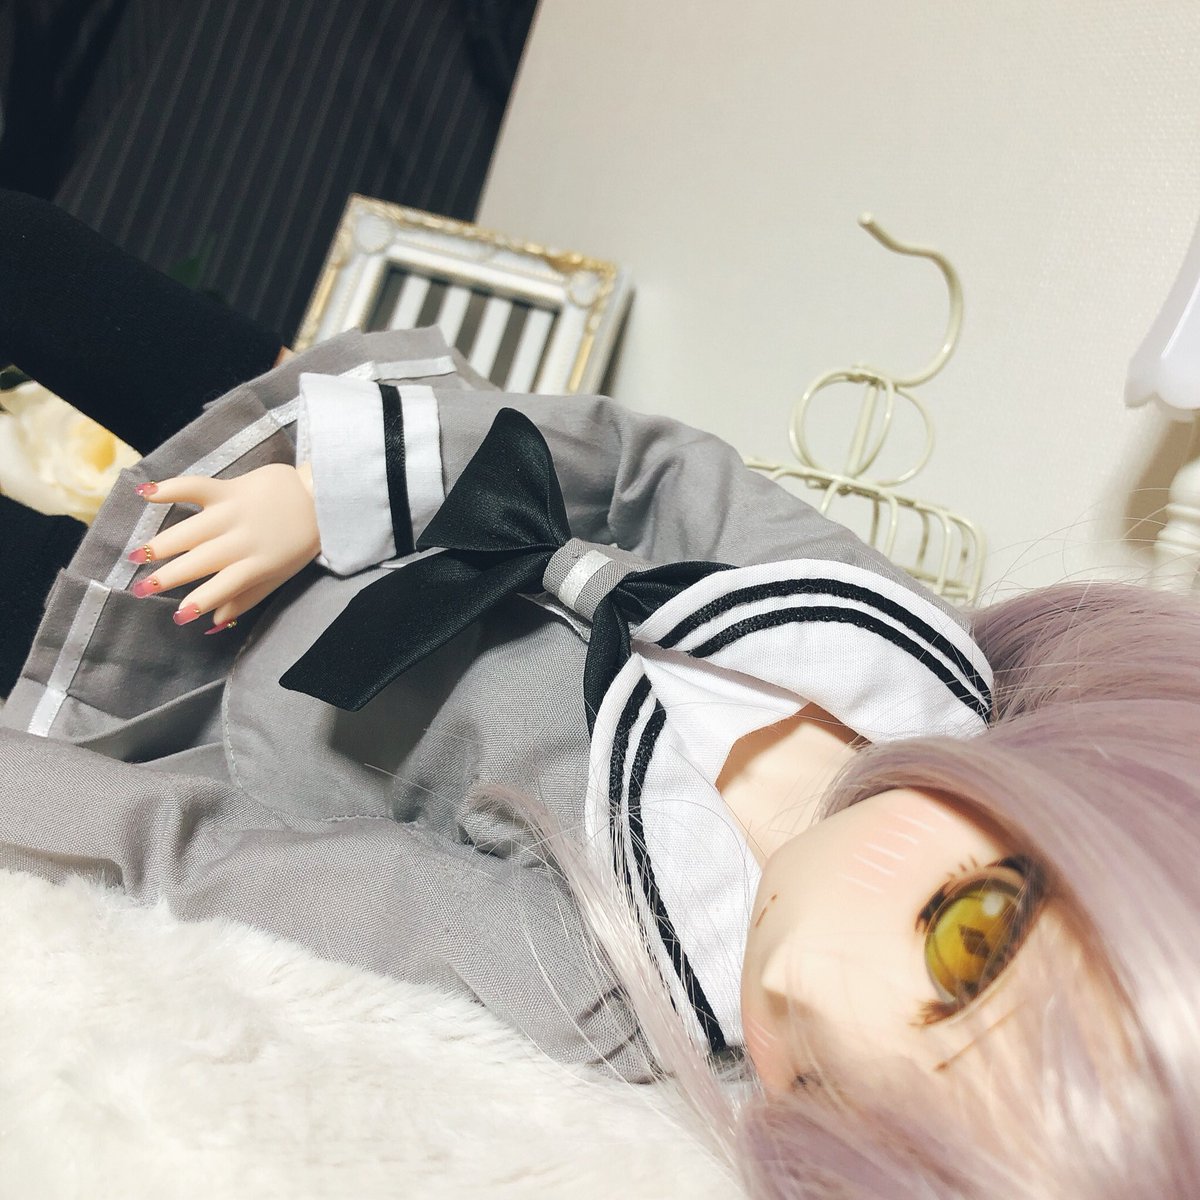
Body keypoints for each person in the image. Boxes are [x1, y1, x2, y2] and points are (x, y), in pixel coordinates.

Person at [2, 189, 1197, 1198]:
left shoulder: (612, 975)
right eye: (969, 937)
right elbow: (645, 468)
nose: (796, 987)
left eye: (829, 1090)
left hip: (222, 672)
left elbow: (240, 862)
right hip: (356, 469)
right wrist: (339, 492)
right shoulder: (885, 637)